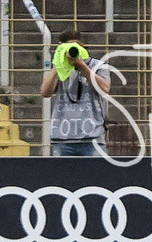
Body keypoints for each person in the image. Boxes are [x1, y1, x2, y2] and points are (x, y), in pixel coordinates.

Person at [40, 28, 111, 156]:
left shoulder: (98, 65)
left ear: (82, 46)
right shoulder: (60, 69)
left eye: (76, 46)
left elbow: (105, 89)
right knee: (63, 176)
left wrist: (82, 66)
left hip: (93, 137)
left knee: (96, 176)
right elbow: (45, 92)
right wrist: (58, 64)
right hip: (63, 137)